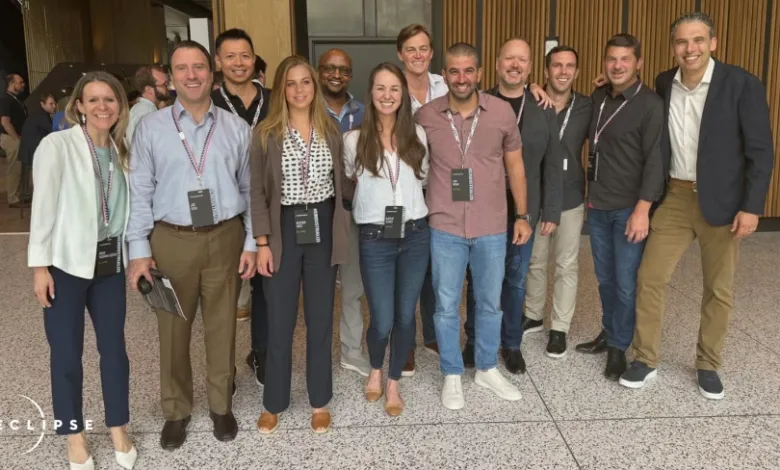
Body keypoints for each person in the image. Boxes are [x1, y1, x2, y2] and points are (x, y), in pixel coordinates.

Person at [619, 13, 774, 399]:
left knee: (718, 288)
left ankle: (708, 364)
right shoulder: (663, 82)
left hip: (724, 203)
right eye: (682, 42)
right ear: (673, 47)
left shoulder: (741, 84)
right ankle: (645, 358)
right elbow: (637, 99)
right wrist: (611, 83)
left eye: (698, 40)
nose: (690, 49)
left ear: (713, 43)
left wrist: (752, 206)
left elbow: (760, 151)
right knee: (650, 277)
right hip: (674, 197)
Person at [127, 40, 255, 449]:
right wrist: (139, 251)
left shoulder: (236, 128)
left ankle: (220, 405)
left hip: (225, 237)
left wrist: (252, 243)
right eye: (181, 68)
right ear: (169, 77)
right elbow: (140, 191)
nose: (191, 75)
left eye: (198, 66)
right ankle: (176, 410)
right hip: (171, 240)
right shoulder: (151, 128)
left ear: (211, 73)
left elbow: (250, 190)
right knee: (172, 331)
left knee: (222, 326)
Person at [28, 71, 137, 470]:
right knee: (66, 354)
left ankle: (118, 427)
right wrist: (40, 267)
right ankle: (73, 435)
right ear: (79, 106)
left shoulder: (123, 151)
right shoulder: (57, 146)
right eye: (93, 100)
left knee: (115, 351)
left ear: (120, 106)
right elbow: (42, 209)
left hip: (109, 267)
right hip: (66, 266)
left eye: (110, 99)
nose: (102, 107)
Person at [416, 42, 532, 410]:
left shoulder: (500, 112)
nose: (462, 77)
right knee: (445, 305)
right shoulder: (426, 116)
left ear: (480, 73)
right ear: (444, 74)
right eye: (454, 70)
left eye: (468, 70)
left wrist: (522, 216)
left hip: (491, 225)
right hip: (445, 226)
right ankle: (452, 372)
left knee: (490, 303)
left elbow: (515, 166)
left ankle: (486, 368)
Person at [252, 55, 350, 434]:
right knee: (279, 319)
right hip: (282, 229)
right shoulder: (266, 133)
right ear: (281, 88)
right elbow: (256, 192)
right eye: (290, 83)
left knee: (320, 318)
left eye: (305, 82)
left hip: (321, 224)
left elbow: (342, 183)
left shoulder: (331, 130)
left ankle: (319, 400)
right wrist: (262, 242)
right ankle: (274, 401)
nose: (298, 90)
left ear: (314, 85)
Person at [463, 37, 564, 373]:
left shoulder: (543, 108)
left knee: (515, 278)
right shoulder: (478, 103)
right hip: (483, 210)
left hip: (525, 210)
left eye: (522, 60)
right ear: (497, 64)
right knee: (478, 278)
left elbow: (552, 163)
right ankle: (474, 339)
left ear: (530, 68)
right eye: (509, 58)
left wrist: (551, 210)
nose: (515, 65)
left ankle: (510, 343)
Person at [574, 33, 664, 381]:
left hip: (629, 209)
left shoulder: (650, 104)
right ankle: (609, 331)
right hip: (598, 205)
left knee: (626, 282)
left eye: (625, 59)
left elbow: (655, 161)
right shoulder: (599, 96)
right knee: (606, 278)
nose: (617, 65)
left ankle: (618, 346)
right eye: (612, 59)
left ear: (639, 63)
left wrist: (643, 209)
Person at [344, 62, 430, 416]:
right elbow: (350, 178)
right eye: (380, 88)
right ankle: (376, 368)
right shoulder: (353, 140)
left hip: (415, 235)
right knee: (381, 317)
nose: (387, 95)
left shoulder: (418, 135)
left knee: (406, 315)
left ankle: (393, 381)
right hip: (375, 238)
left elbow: (423, 178)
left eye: (394, 88)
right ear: (371, 93)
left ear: (403, 95)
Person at [211, 27, 272, 386]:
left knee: (266, 290)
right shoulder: (208, 104)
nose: (238, 62)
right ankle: (224, 369)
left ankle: (261, 354)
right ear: (218, 61)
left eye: (245, 55)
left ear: (254, 59)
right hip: (225, 212)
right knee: (223, 295)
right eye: (230, 56)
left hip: (269, 209)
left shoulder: (275, 100)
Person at [524, 45, 593, 358]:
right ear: (546, 70)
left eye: (569, 66)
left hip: (570, 196)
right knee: (534, 260)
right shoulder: (533, 101)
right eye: (557, 65)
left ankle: (560, 328)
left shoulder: (588, 106)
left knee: (566, 264)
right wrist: (529, 86)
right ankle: (533, 315)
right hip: (536, 196)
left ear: (576, 71)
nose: (563, 71)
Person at [318, 48, 370, 377]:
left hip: (352, 211)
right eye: (330, 68)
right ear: (319, 71)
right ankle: (318, 353)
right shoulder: (305, 109)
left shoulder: (365, 113)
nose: (336, 75)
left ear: (351, 75)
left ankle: (351, 350)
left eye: (344, 70)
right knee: (319, 289)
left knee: (352, 288)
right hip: (317, 212)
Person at [1, 73, 28, 208]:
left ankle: (21, 195)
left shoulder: (16, 99)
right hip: (11, 138)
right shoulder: (6, 99)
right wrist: (17, 139)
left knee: (21, 168)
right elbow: (5, 122)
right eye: (20, 82)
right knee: (15, 169)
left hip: (17, 137)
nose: (23, 84)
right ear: (11, 83)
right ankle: (13, 198)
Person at [125, 64, 170, 143]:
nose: (168, 88)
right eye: (164, 84)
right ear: (149, 90)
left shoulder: (140, 108)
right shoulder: (148, 113)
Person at [19, 92, 56, 170]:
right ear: (42, 104)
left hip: (27, 151)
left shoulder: (37, 113)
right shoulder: (42, 116)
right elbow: (53, 131)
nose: (54, 106)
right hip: (32, 152)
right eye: (51, 104)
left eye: (54, 103)